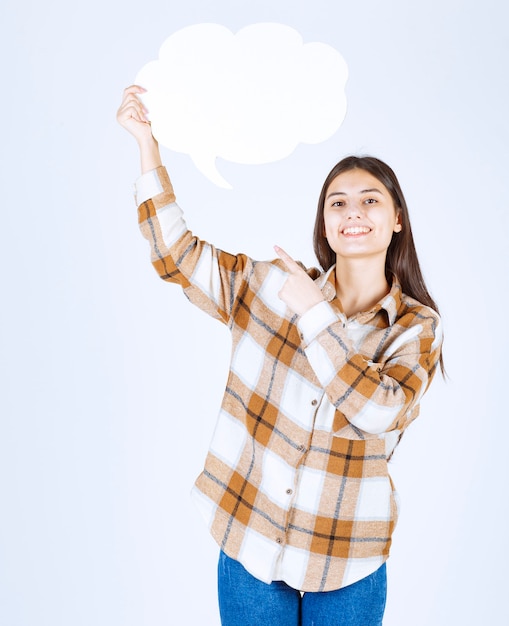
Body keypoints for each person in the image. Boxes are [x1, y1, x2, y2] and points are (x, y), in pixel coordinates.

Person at [117, 85, 443, 626]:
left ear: (397, 220)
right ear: (324, 224)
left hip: (347, 564)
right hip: (250, 543)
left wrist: (317, 316)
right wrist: (147, 146)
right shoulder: (268, 288)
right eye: (337, 202)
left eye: (370, 200)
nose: (353, 212)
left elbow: (379, 412)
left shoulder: (416, 328)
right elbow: (177, 255)